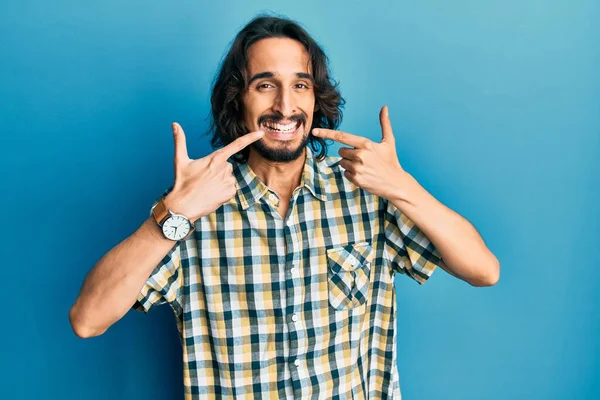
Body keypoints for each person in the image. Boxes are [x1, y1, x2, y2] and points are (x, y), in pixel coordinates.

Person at [69, 14, 500, 400]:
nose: (285, 106)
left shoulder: (367, 193)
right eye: (265, 85)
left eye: (300, 85)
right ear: (238, 98)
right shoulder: (192, 207)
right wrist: (173, 214)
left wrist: (403, 188)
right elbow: (88, 320)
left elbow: (483, 270)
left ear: (316, 99)